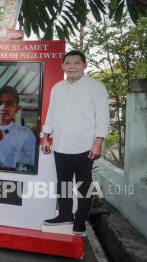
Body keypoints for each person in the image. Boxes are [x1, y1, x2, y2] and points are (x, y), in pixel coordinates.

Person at [42, 50, 109, 236]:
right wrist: (46, 136)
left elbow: (103, 118)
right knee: (62, 183)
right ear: (63, 67)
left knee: (83, 186)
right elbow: (51, 114)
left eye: (76, 63)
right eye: (68, 63)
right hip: (61, 145)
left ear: (85, 65)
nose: (71, 66)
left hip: (84, 146)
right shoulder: (57, 88)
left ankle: (80, 221)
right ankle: (64, 214)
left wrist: (98, 143)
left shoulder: (96, 87)